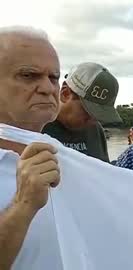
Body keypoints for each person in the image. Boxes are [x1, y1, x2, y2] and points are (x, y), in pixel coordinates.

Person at [0, 26, 62, 270]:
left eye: (53, 77)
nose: (47, 88)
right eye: (28, 75)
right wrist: (23, 204)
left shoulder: (65, 157)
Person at [42, 62, 122, 162]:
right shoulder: (35, 126)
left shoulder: (96, 130)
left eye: (99, 115)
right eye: (88, 112)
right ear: (65, 93)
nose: (93, 121)